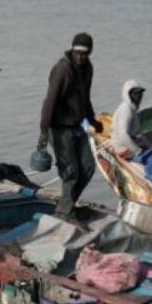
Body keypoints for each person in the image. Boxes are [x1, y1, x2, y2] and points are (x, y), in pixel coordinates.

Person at [39, 33, 102, 219]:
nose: (80, 57)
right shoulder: (63, 70)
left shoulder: (88, 69)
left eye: (85, 53)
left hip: (77, 125)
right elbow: (49, 101)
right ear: (72, 50)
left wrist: (93, 121)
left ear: (90, 53)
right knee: (70, 172)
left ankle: (67, 204)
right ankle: (65, 211)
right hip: (58, 127)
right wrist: (44, 131)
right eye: (77, 53)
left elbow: (85, 99)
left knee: (88, 166)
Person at [110, 80, 151, 159]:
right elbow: (123, 135)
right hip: (122, 147)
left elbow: (137, 134)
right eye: (135, 94)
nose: (139, 96)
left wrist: (150, 146)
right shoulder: (126, 109)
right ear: (128, 95)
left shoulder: (133, 108)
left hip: (131, 143)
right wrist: (138, 151)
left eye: (140, 93)